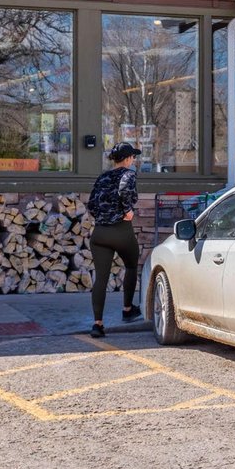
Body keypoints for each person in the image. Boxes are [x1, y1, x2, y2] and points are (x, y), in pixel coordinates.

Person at [84, 143, 143, 337]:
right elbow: (125, 189)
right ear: (127, 159)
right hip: (121, 231)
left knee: (101, 278)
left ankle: (97, 324)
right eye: (132, 157)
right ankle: (127, 309)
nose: (133, 160)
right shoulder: (128, 175)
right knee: (131, 265)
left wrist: (103, 217)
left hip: (100, 233)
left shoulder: (103, 177)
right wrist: (127, 210)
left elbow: (91, 204)